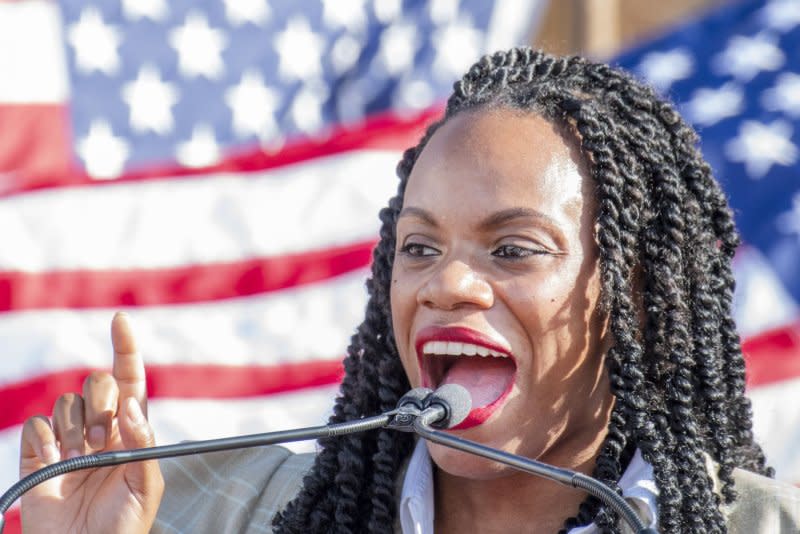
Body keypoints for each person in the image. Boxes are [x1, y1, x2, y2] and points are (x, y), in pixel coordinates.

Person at [18, 48, 800, 533]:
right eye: (418, 247)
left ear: (632, 297)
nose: (447, 283)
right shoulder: (212, 515)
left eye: (513, 248)